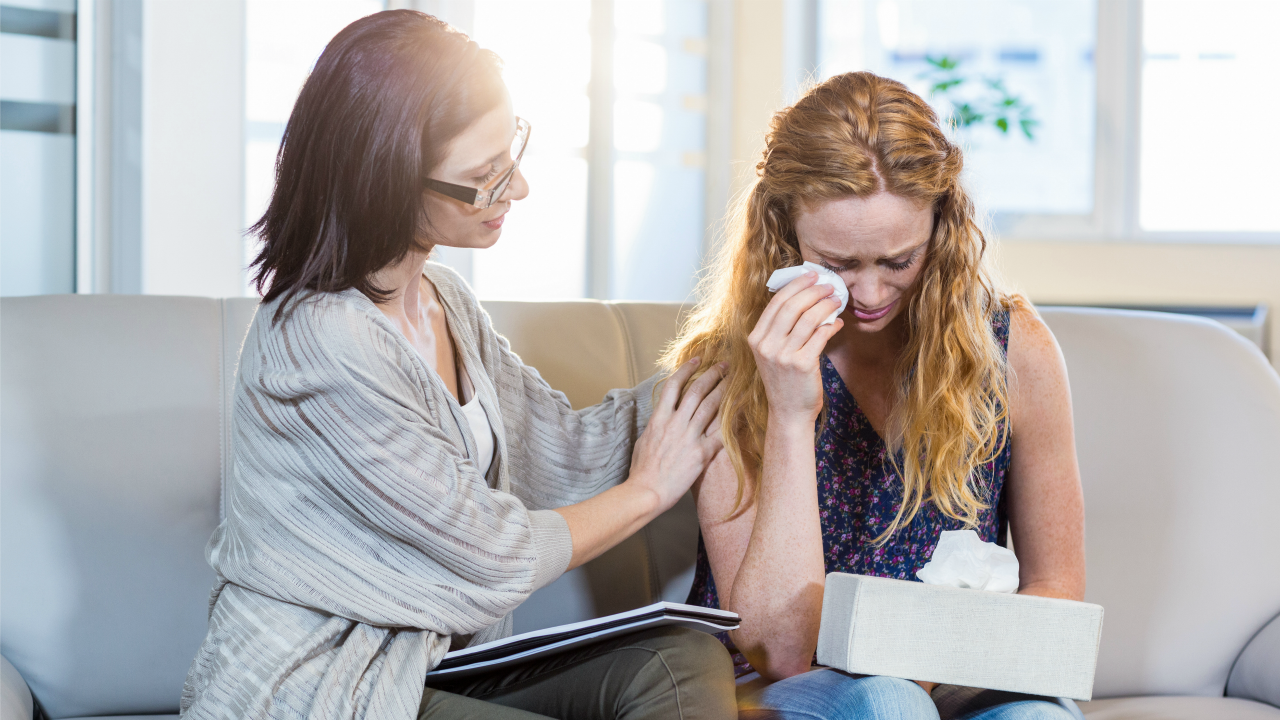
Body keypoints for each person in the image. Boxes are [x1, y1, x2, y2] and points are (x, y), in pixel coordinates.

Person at [179, 10, 735, 720]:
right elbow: (489, 556)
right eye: (485, 177)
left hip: (440, 664)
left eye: (512, 154)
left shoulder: (444, 299)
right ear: (384, 180)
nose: (519, 189)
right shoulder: (317, 340)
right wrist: (651, 491)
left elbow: (562, 453)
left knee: (678, 659)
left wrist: (733, 351)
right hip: (323, 686)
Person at [663, 71, 1087, 720]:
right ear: (785, 235)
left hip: (951, 682)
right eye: (837, 264)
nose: (868, 295)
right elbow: (779, 645)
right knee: (888, 702)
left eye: (897, 261)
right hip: (785, 690)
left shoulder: (1013, 347)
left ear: (941, 229)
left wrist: (943, 657)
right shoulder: (725, 370)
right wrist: (789, 414)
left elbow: (1057, 590)